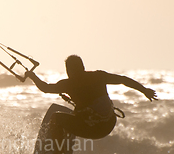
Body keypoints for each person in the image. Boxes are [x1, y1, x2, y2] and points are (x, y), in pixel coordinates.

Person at [26, 55, 157, 144]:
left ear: (68, 70)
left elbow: (46, 88)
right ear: (82, 67)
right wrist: (144, 90)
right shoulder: (98, 76)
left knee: (55, 118)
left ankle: (58, 152)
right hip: (108, 125)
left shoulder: (69, 83)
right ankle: (65, 135)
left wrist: (32, 76)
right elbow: (123, 80)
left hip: (91, 129)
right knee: (78, 111)